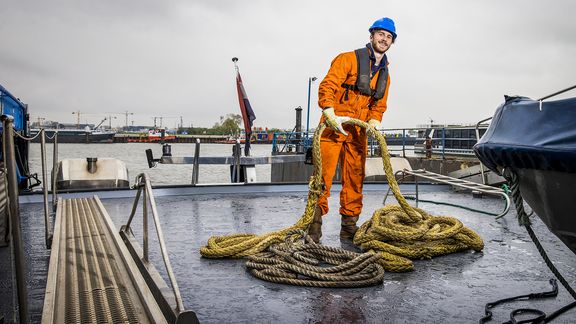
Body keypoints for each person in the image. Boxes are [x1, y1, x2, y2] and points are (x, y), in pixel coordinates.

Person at [308, 17, 397, 242]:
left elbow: (379, 104)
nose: (384, 39)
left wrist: (375, 120)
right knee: (322, 177)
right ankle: (313, 228)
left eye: (389, 37)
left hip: (358, 131)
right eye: (381, 34)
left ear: (392, 42)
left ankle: (348, 228)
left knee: (355, 178)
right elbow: (328, 84)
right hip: (333, 126)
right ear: (372, 35)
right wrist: (328, 110)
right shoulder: (347, 59)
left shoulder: (385, 73)